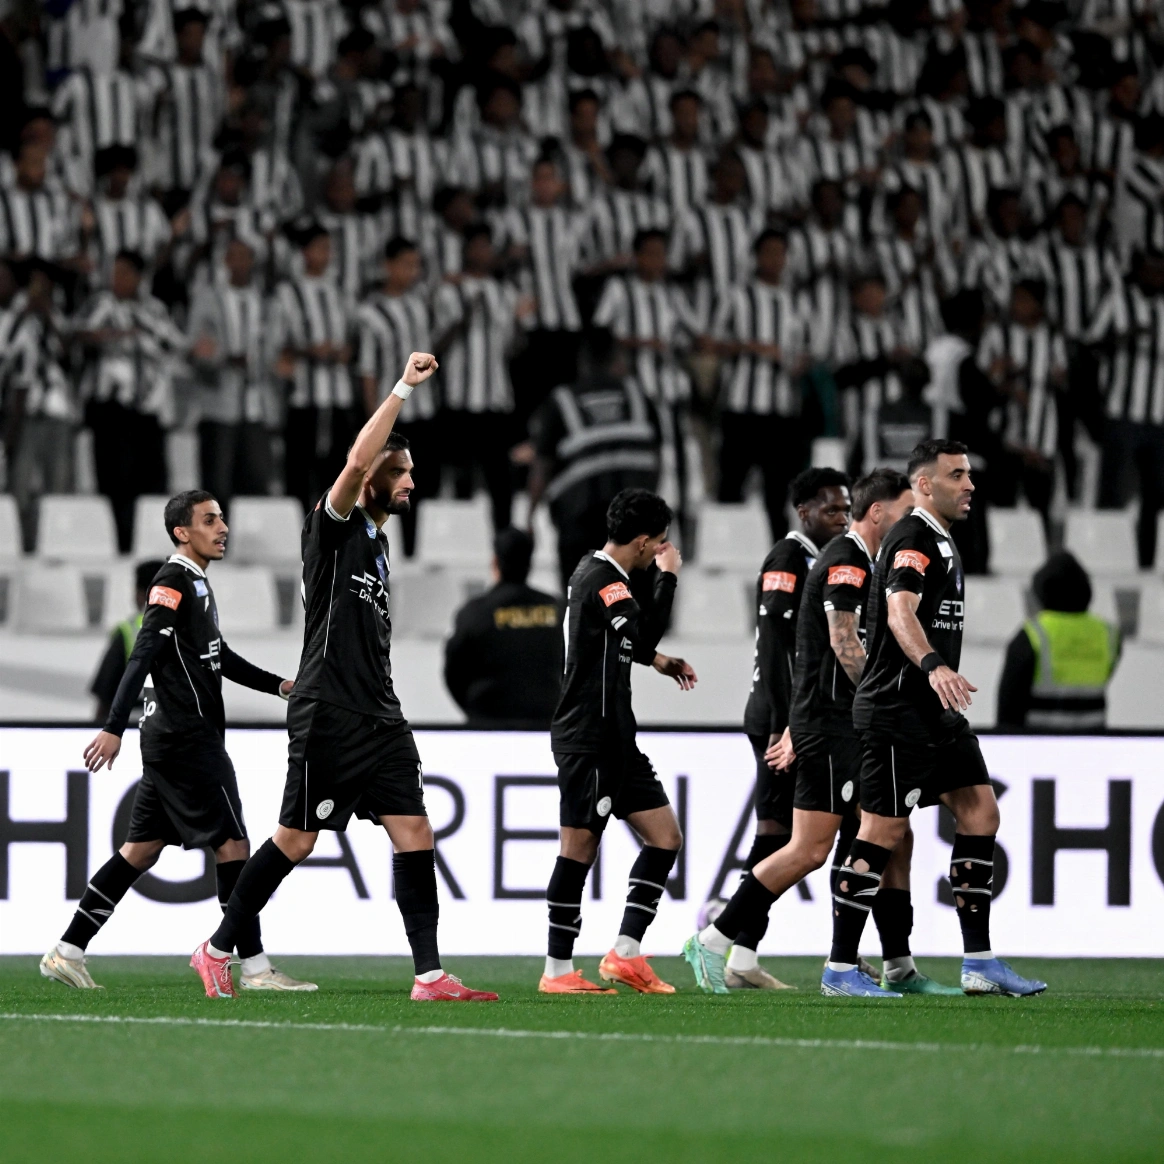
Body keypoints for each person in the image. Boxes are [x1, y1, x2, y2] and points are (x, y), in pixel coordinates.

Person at [191, 352, 498, 1003]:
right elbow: (357, 462)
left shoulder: (379, 546)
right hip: (329, 710)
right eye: (399, 471)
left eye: (410, 470)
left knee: (415, 831)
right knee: (296, 840)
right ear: (371, 480)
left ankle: (429, 976)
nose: (410, 481)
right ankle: (216, 951)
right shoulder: (331, 529)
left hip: (381, 715)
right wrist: (403, 387)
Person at [686, 469, 962, 996]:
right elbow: (844, 641)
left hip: (840, 721)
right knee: (812, 848)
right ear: (878, 512)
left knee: (889, 835)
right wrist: (879, 699)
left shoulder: (865, 560)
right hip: (832, 724)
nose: (912, 522)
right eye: (904, 511)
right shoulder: (846, 559)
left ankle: (894, 965)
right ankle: (718, 940)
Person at [42, 491, 311, 992]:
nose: (223, 527)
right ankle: (254, 968)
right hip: (187, 739)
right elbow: (142, 653)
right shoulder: (171, 582)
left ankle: (68, 950)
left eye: (222, 518)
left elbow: (218, 655)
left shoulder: (197, 582)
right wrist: (114, 726)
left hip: (173, 740)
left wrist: (278, 686)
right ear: (181, 533)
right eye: (209, 520)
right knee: (233, 845)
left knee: (140, 850)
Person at [819, 440, 1044, 995]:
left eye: (968, 474)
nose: (970, 485)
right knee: (882, 831)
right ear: (924, 484)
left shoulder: (940, 538)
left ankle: (980, 962)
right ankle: (840, 968)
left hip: (934, 713)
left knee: (980, 813)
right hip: (898, 709)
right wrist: (933, 664)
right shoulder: (914, 538)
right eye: (957, 475)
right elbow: (900, 610)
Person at [539, 488, 696, 995]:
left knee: (665, 837)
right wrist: (669, 576)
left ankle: (626, 954)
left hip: (615, 737)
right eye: (661, 543)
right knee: (578, 849)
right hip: (589, 736)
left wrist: (658, 662)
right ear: (645, 542)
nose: (662, 551)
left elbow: (621, 639)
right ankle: (557, 971)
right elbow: (642, 632)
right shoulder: (604, 579)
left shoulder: (597, 574)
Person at [718, 467, 850, 990]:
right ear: (803, 512)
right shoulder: (788, 559)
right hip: (782, 719)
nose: (841, 518)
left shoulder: (822, 559)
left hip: (797, 717)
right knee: (782, 837)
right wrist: (784, 725)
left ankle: (742, 954)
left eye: (846, 509)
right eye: (831, 509)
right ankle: (733, 949)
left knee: (779, 835)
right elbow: (775, 650)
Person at [528, 327, 661, 592]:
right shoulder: (639, 397)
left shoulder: (562, 401)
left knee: (583, 607)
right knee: (637, 609)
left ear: (582, 361)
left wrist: (529, 517)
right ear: (617, 358)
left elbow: (542, 466)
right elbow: (656, 458)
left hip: (581, 523)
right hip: (637, 525)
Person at [443, 527, 562, 727]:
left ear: (495, 562)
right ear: (529, 564)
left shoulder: (475, 613)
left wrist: (475, 711)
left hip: (488, 722)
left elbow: (453, 673)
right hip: (544, 723)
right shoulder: (557, 610)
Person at [997, 551, 1120, 730]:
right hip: (1093, 741)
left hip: (1041, 742)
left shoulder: (1032, 635)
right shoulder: (1109, 634)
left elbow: (1009, 709)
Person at [91, 558, 166, 723]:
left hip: (133, 728)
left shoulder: (129, 631)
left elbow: (106, 694)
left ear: (140, 593)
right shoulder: (192, 631)